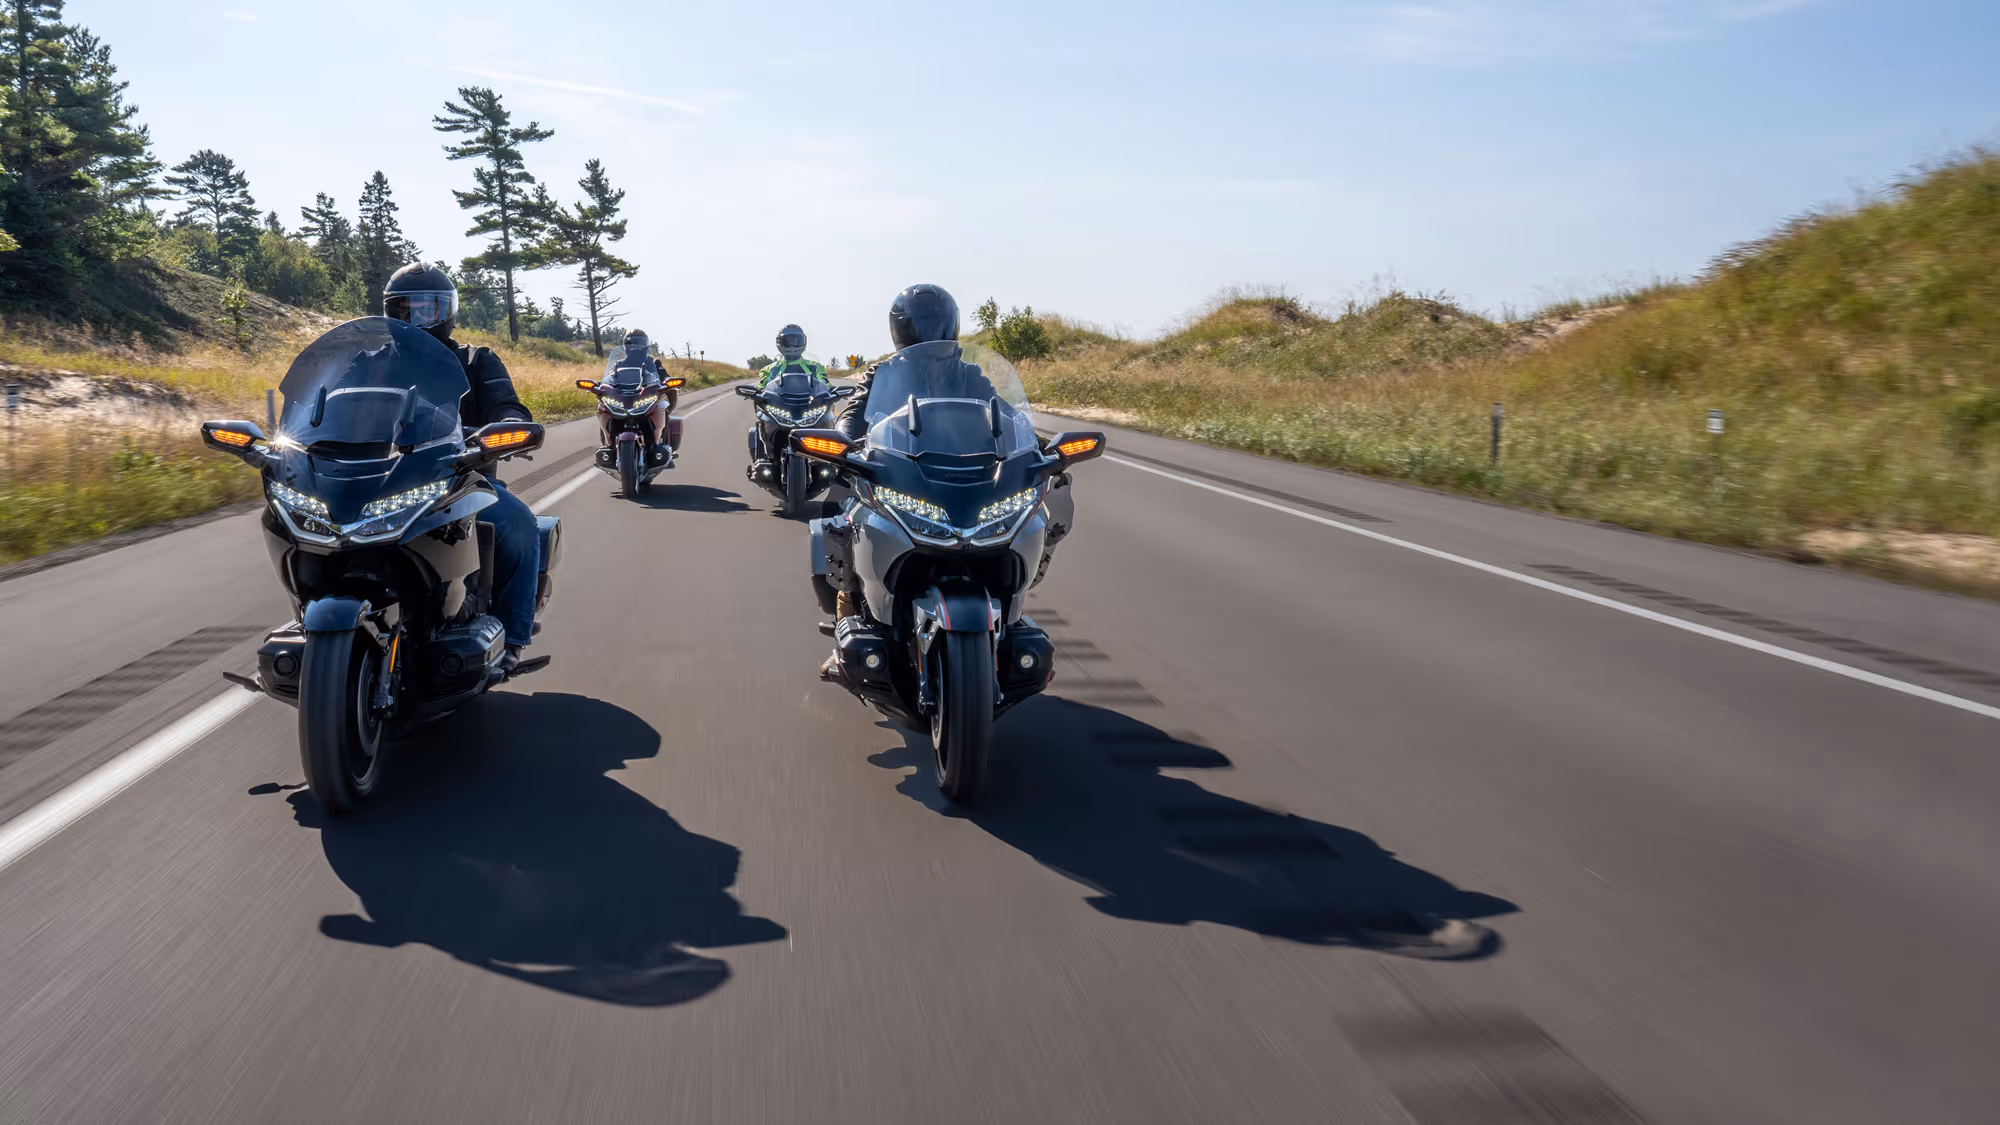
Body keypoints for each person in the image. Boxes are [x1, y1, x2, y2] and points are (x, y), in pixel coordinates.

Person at [382, 263, 539, 674]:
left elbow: (506, 404)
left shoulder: (475, 360)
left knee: (519, 525)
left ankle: (512, 640)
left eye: (427, 310)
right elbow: (324, 404)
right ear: (389, 313)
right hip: (376, 483)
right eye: (404, 310)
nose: (416, 320)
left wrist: (507, 425)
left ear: (447, 313)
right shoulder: (372, 362)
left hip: (458, 479)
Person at [820, 284, 961, 681]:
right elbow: (854, 411)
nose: (930, 329)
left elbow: (1003, 412)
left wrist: (1033, 444)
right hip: (901, 473)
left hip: (960, 475)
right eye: (922, 322)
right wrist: (847, 445)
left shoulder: (968, 372)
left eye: (936, 321)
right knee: (845, 528)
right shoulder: (885, 372)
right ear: (903, 329)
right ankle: (847, 625)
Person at [749, 324, 830, 474]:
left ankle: (828, 459)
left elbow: (825, 385)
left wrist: (829, 392)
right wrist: (756, 392)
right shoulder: (769, 369)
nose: (792, 345)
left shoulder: (815, 366)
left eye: (796, 341)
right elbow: (762, 387)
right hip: (781, 408)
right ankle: (766, 455)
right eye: (788, 341)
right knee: (760, 422)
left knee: (830, 420)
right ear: (780, 343)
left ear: (803, 342)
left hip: (808, 408)